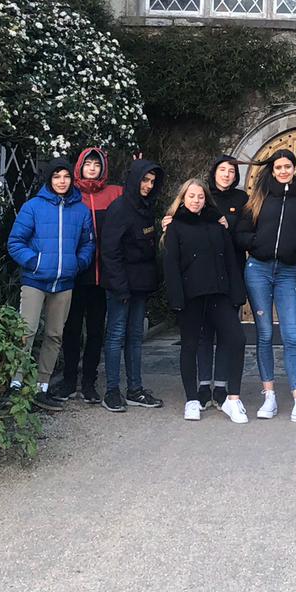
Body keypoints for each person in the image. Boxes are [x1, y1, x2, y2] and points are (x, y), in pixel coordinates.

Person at [234, 150, 296, 426]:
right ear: (272, 171)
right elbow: (241, 232)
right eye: (278, 167)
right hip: (258, 270)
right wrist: (256, 244)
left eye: (288, 166)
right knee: (264, 333)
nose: (283, 171)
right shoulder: (259, 197)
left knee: (291, 334)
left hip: (288, 272)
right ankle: (269, 396)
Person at [6, 159, 96, 411]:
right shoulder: (33, 207)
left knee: (55, 335)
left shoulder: (81, 210)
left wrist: (76, 264)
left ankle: (41, 387)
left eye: (66, 176)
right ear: (49, 180)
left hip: (64, 283)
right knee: (26, 332)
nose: (62, 181)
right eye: (57, 176)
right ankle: (15, 384)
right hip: (34, 280)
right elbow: (15, 242)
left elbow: (88, 243)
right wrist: (34, 262)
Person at [162, 178, 249, 424]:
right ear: (183, 198)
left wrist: (237, 294)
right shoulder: (175, 226)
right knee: (190, 346)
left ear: (206, 199)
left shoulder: (217, 225)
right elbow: (171, 265)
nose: (196, 201)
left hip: (218, 294)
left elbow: (230, 261)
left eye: (200, 197)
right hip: (190, 296)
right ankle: (192, 399)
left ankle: (233, 399)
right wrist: (176, 299)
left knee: (238, 339)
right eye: (191, 196)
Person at [53, 147, 120, 405]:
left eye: (97, 164)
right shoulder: (69, 194)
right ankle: (69, 380)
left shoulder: (114, 194)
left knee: (95, 331)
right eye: (88, 164)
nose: (92, 168)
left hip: (102, 276)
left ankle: (89, 382)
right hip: (74, 274)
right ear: (79, 166)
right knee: (71, 330)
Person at [97, 159, 164, 413]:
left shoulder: (146, 208)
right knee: (116, 336)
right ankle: (112, 391)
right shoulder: (119, 209)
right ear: (135, 179)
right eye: (145, 180)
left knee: (136, 337)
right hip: (120, 285)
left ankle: (135, 389)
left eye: (152, 182)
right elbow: (110, 251)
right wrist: (120, 286)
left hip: (140, 285)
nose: (148, 186)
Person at [195, 155, 248, 410]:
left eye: (231, 171)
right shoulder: (202, 195)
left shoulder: (242, 199)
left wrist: (229, 228)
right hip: (203, 274)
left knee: (228, 333)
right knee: (204, 332)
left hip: (231, 273)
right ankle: (204, 385)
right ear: (214, 171)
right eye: (222, 169)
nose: (227, 174)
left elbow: (246, 234)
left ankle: (221, 385)